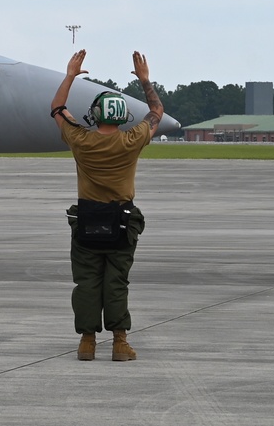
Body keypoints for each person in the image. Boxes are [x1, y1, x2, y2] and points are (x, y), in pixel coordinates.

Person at [50, 49, 163, 361]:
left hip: (86, 222)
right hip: (122, 223)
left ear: (95, 115)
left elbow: (58, 108)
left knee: (86, 283)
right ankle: (119, 342)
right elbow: (156, 111)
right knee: (116, 283)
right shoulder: (133, 139)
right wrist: (144, 80)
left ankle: (87, 342)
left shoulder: (80, 140)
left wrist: (70, 74)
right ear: (122, 117)